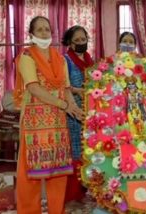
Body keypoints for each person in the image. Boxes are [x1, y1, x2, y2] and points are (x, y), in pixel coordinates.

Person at [13, 16, 83, 214]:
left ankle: (56, 210)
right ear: (31, 34)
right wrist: (64, 105)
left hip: (58, 121)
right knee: (30, 173)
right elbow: (34, 88)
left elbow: (66, 88)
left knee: (58, 171)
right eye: (40, 29)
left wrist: (73, 107)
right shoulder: (27, 56)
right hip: (34, 122)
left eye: (47, 29)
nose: (45, 33)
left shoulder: (60, 58)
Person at [61, 25, 94, 205]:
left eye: (84, 40)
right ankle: (71, 194)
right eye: (77, 41)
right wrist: (78, 91)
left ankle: (83, 191)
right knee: (74, 152)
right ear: (69, 43)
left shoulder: (90, 60)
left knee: (88, 151)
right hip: (73, 112)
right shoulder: (65, 60)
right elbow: (62, 85)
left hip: (90, 112)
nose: (82, 43)